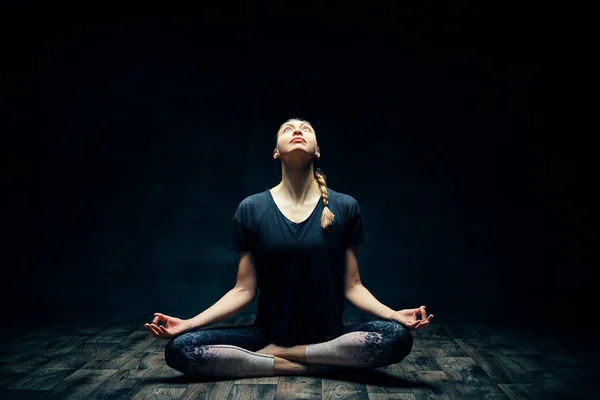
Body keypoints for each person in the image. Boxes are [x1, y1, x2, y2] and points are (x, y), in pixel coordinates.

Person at [145, 118, 434, 378]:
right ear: (276, 152)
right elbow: (243, 290)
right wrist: (189, 323)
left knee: (397, 337)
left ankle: (282, 356)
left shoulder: (345, 206)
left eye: (305, 128)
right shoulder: (251, 208)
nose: (297, 131)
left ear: (317, 150)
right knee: (181, 349)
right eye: (288, 129)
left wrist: (395, 314)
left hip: (330, 336)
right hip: (267, 334)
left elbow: (353, 286)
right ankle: (315, 365)